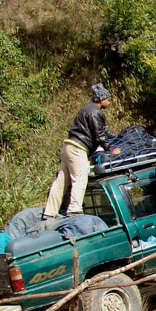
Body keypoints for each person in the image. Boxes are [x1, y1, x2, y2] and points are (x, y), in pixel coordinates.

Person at [43, 83, 121, 219]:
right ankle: (74, 210)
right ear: (101, 99)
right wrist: (110, 149)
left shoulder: (87, 109)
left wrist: (116, 136)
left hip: (68, 146)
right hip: (78, 148)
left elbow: (102, 130)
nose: (109, 101)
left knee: (61, 181)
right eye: (108, 98)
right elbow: (99, 134)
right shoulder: (95, 112)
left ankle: (49, 212)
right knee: (79, 178)